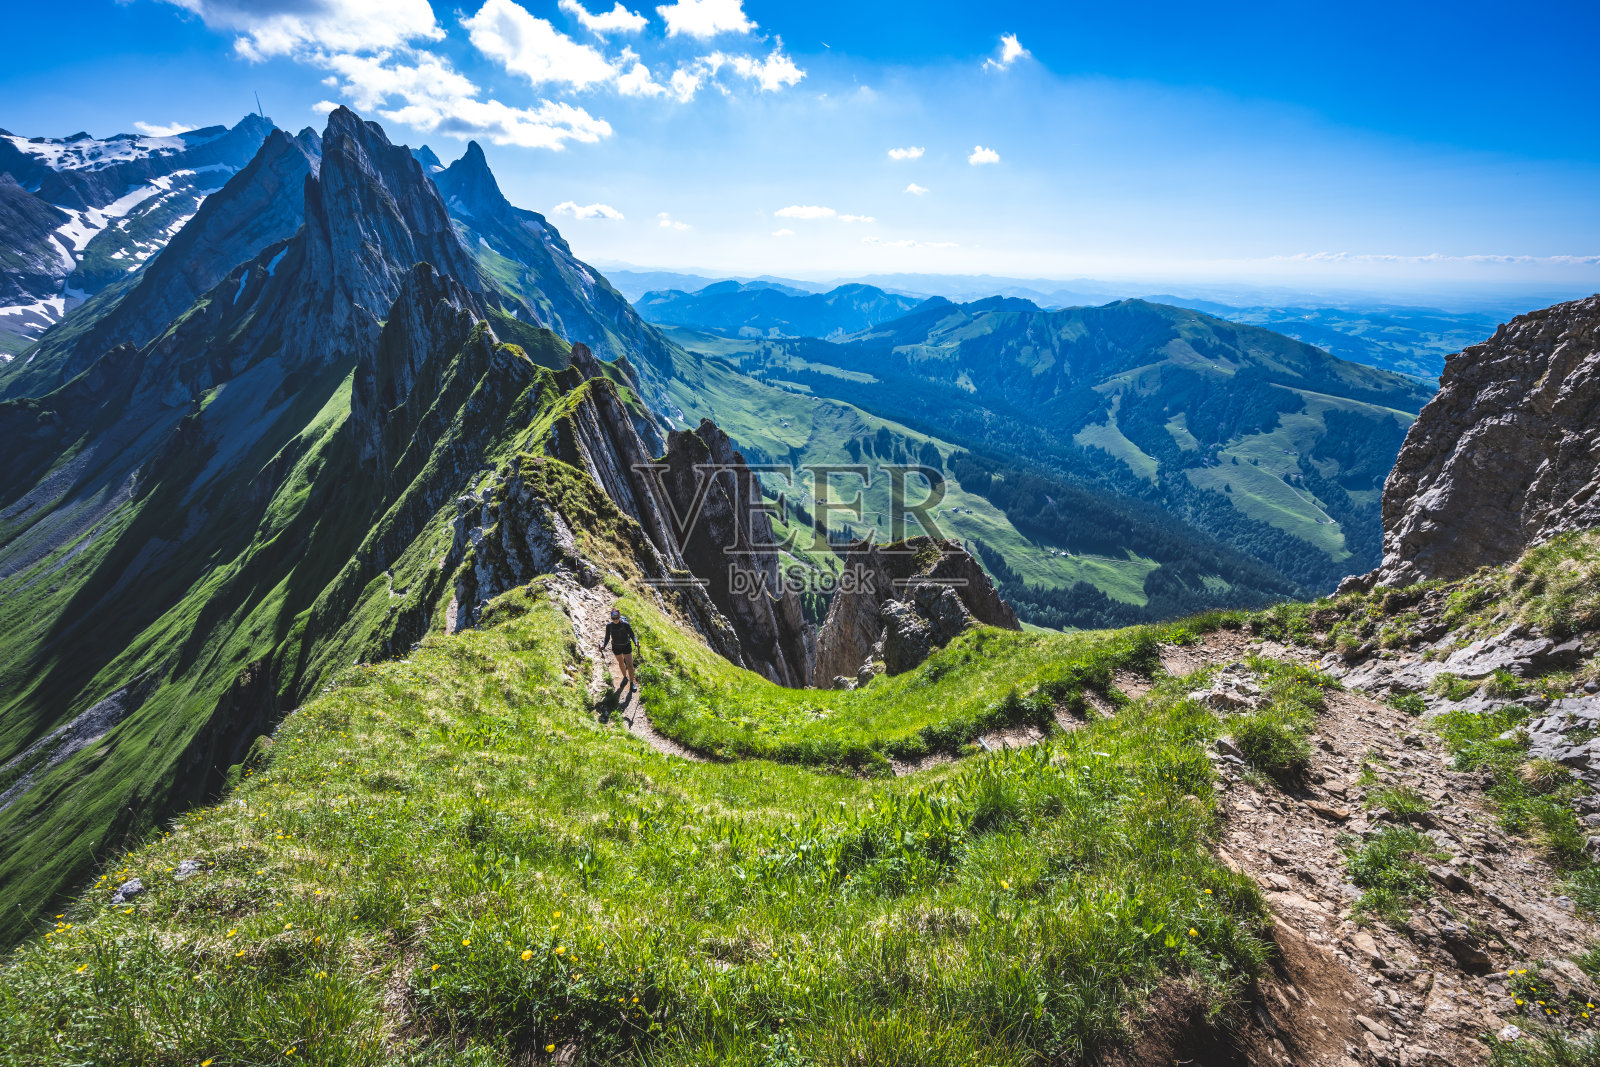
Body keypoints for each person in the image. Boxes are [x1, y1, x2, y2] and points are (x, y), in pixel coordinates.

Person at [598, 607, 638, 689]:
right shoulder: (609, 626)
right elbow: (607, 638)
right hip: (616, 647)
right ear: (611, 618)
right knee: (621, 663)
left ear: (619, 617)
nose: (615, 620)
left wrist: (636, 642)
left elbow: (632, 634)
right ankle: (625, 677)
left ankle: (631, 683)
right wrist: (603, 645)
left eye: (617, 618)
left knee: (630, 665)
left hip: (626, 645)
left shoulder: (625, 624)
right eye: (613, 618)